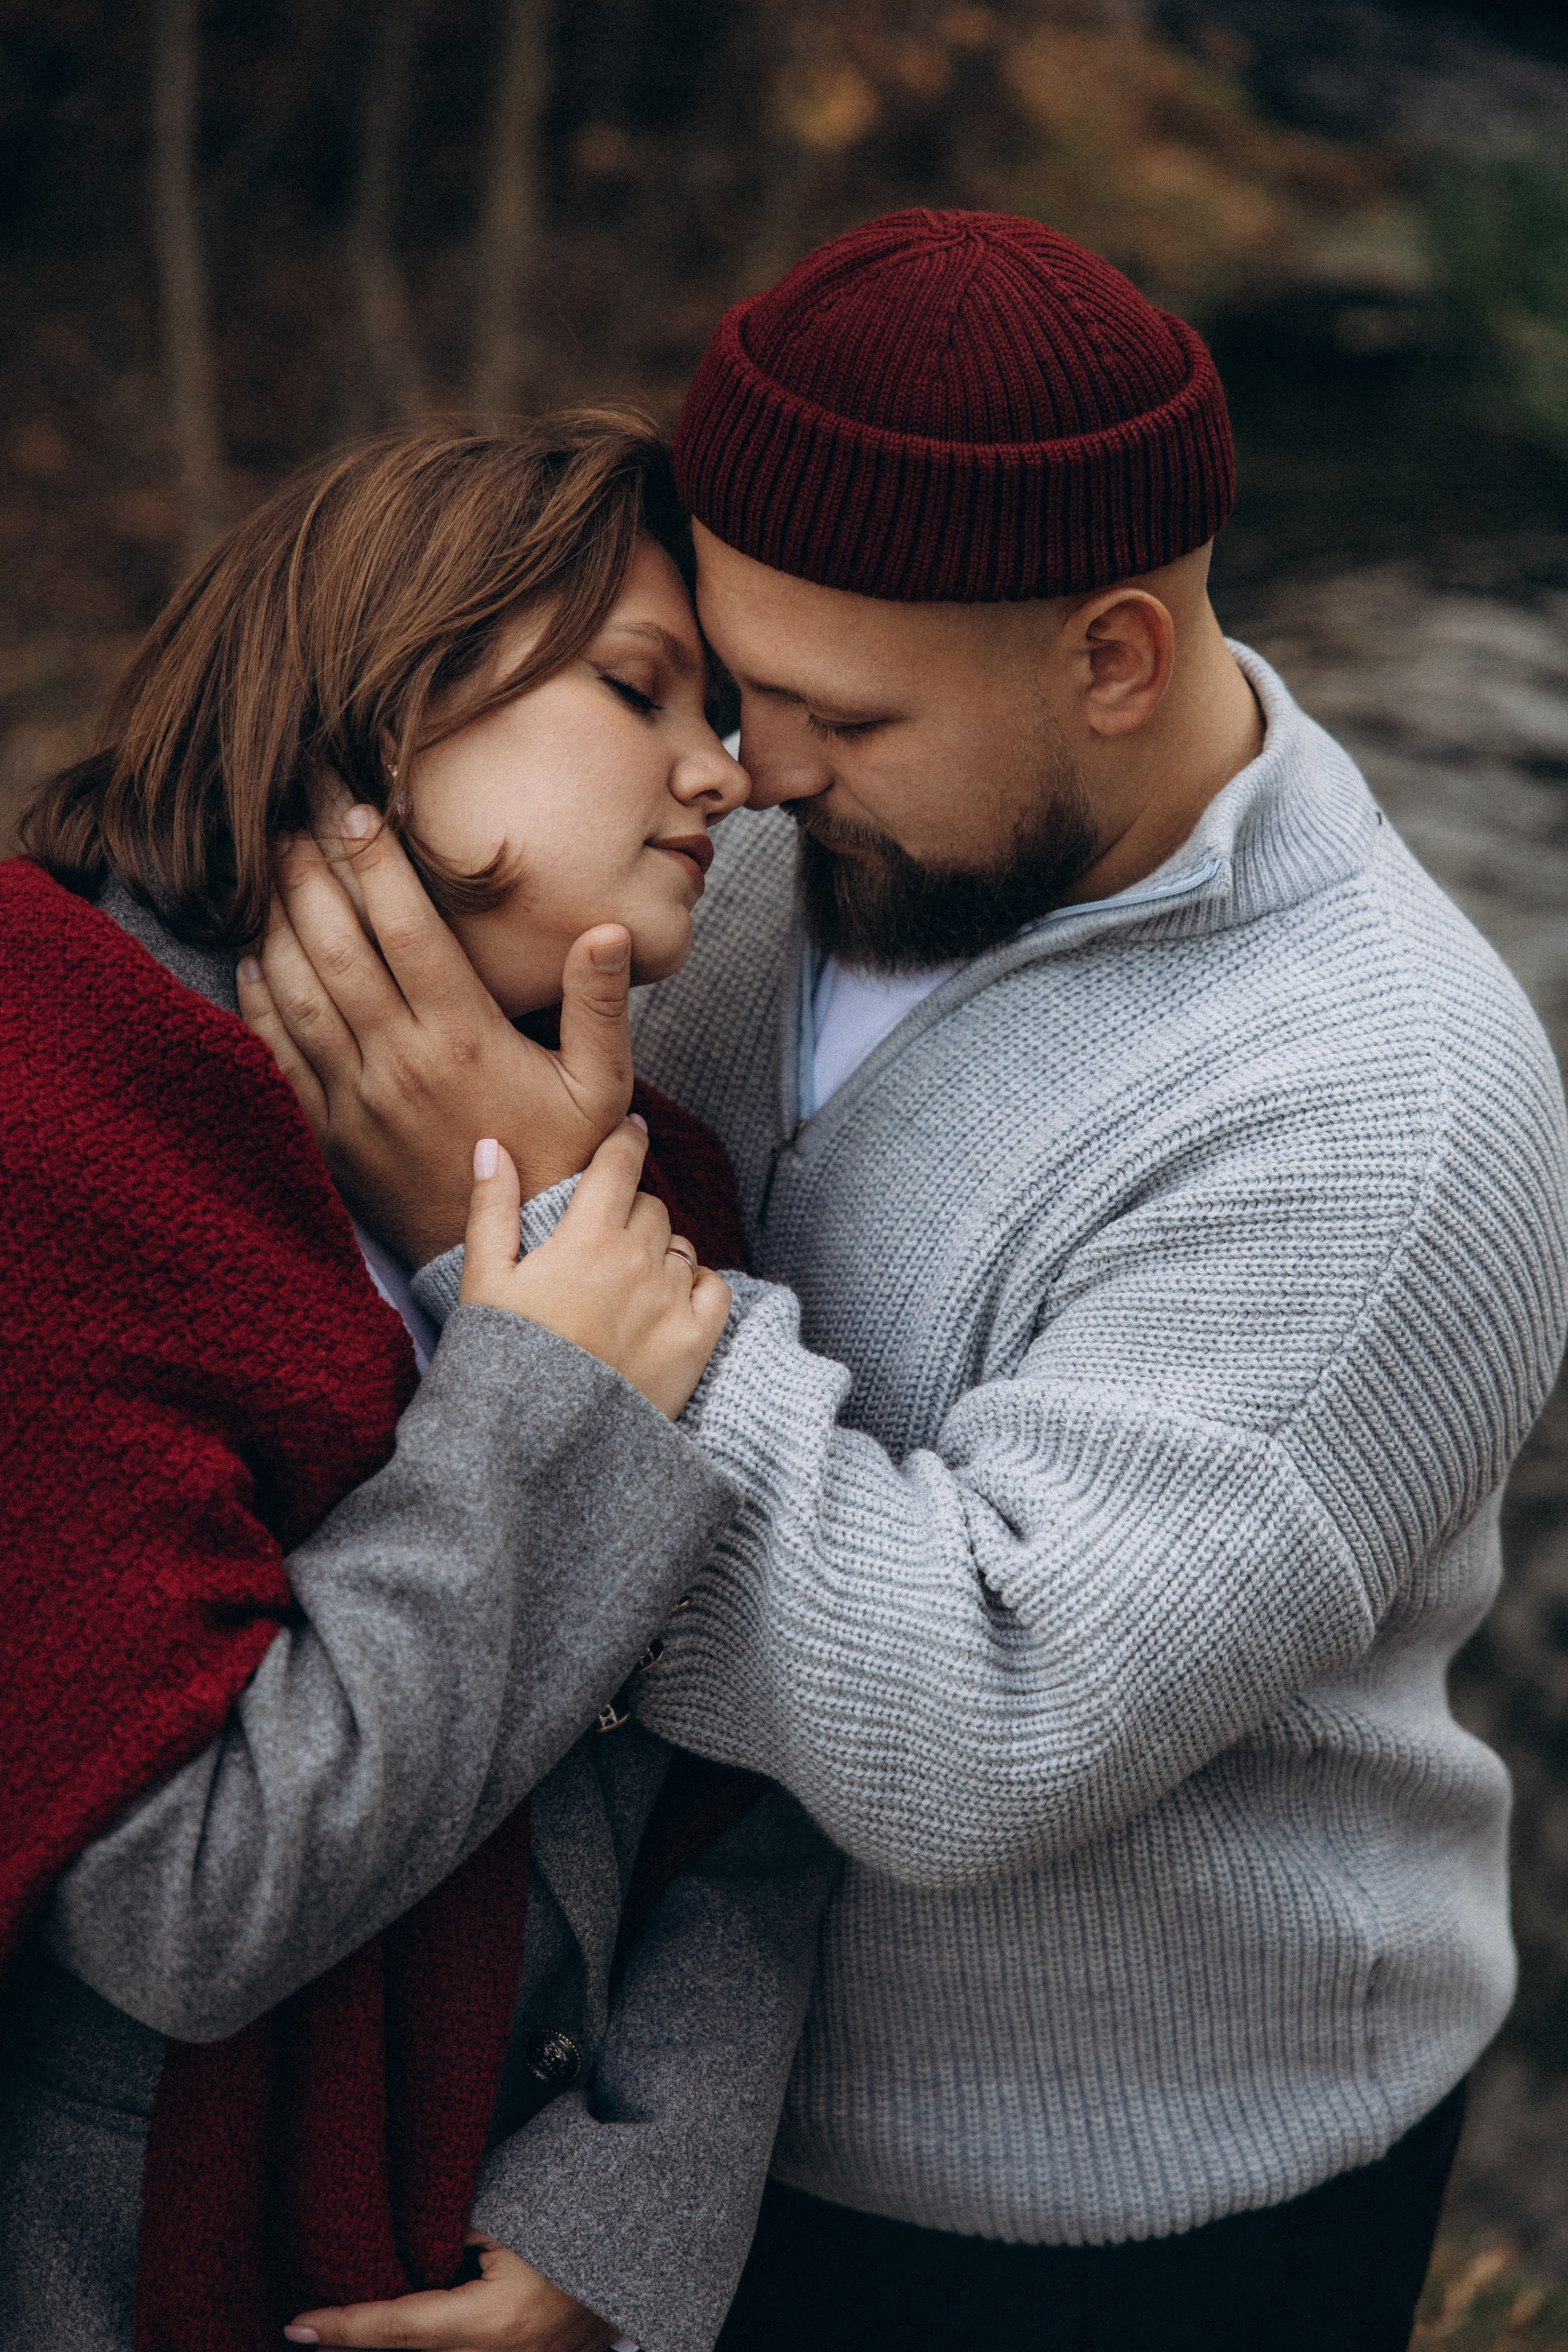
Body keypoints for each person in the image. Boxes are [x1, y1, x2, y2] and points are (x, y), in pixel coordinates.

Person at [238, 213, 1568, 2352]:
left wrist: (551, 1222)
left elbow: (975, 1728)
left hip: (1095, 2220)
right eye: (719, 683)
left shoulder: (1382, 1114)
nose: (743, 774)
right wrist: (621, 2180)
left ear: (1113, 660)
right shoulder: (765, 818)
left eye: (831, 714)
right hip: (609, 2077)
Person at [0, 415, 835, 2352]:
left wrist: (618, 2218)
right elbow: (182, 1902)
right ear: (382, 688)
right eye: (640, 689)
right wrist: (542, 1392)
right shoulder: (52, 1107)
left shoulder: (639, 1173)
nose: (725, 771)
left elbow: (749, 1802)